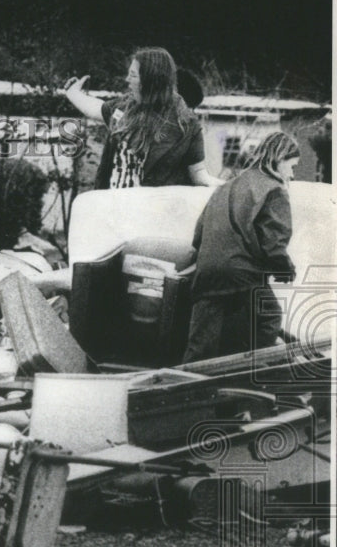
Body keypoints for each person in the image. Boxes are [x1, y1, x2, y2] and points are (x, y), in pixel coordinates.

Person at [182, 132, 300, 362]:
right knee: (269, 318)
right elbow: (273, 244)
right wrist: (285, 269)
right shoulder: (274, 189)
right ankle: (253, 373)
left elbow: (199, 234)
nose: (293, 175)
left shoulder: (226, 186)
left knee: (201, 343)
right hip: (242, 274)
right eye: (292, 166)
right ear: (279, 158)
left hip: (207, 271)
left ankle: (182, 387)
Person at [64, 47, 219, 189]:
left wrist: (234, 188)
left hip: (153, 214)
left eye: (133, 75)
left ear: (150, 80)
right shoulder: (123, 108)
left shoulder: (187, 124)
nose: (127, 80)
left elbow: (199, 175)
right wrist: (73, 93)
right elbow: (95, 107)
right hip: (114, 210)